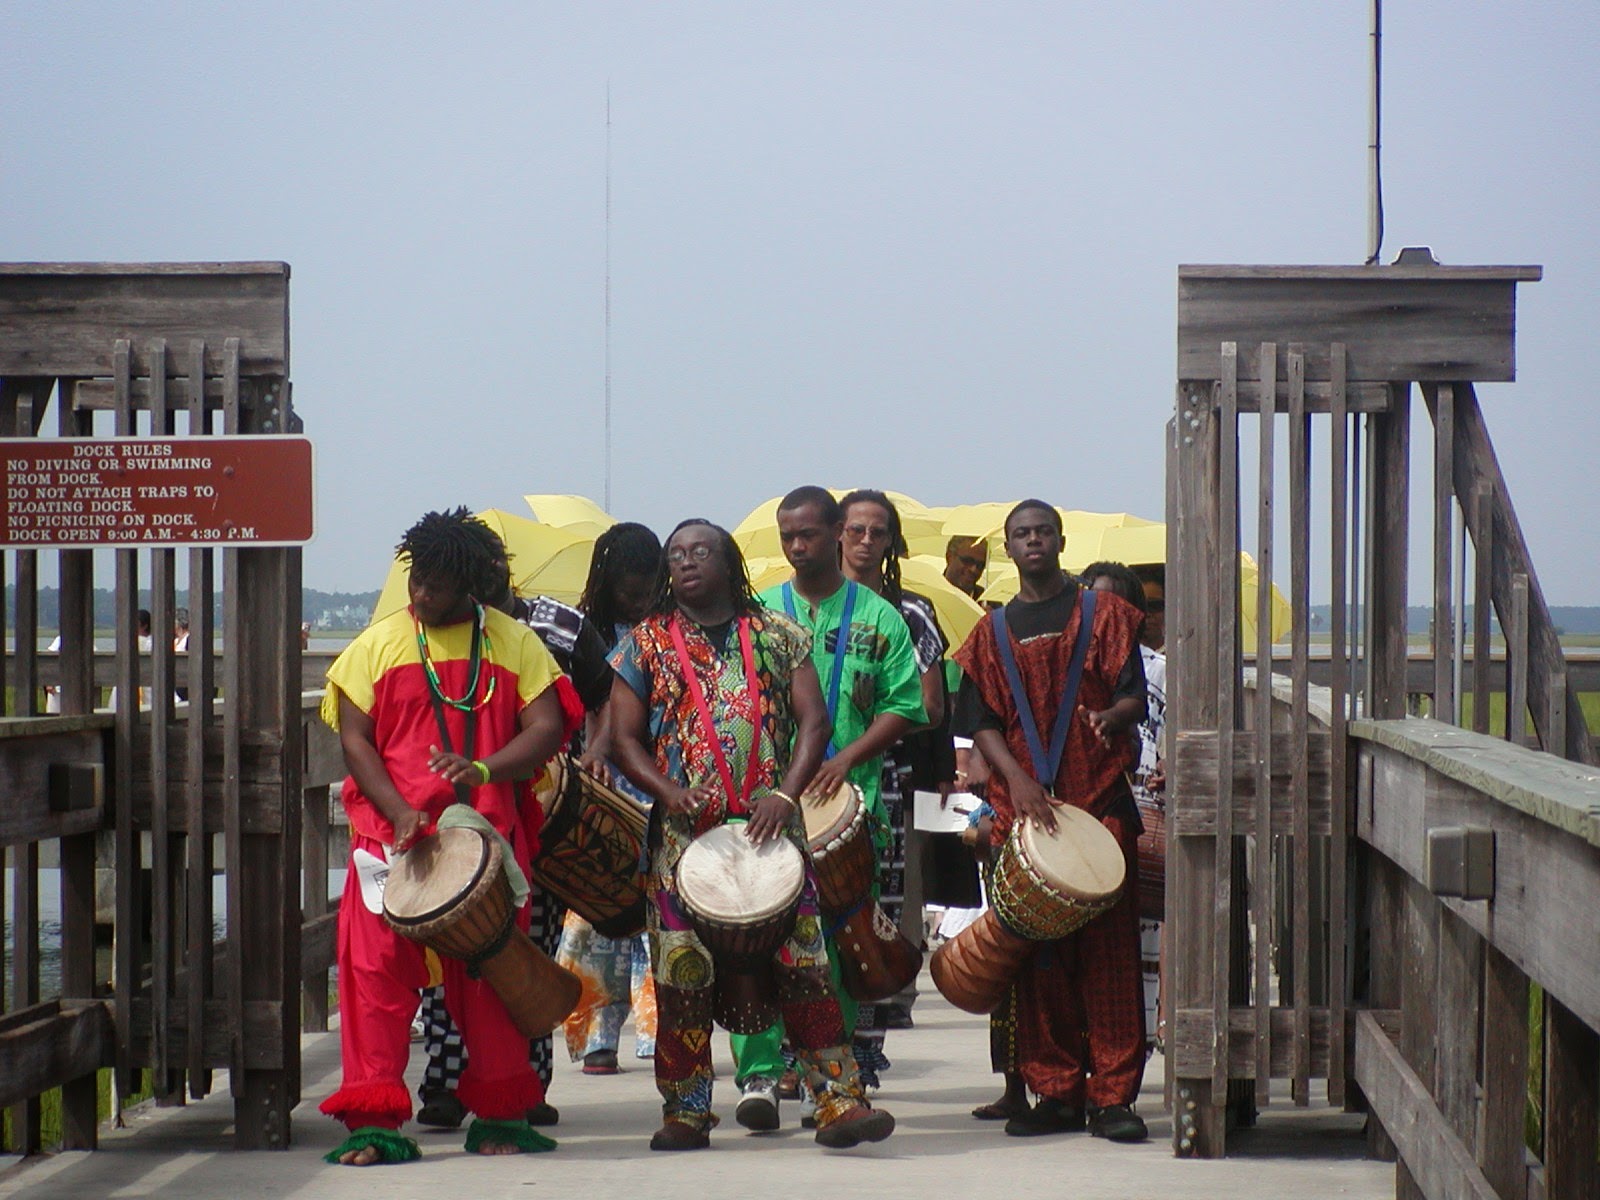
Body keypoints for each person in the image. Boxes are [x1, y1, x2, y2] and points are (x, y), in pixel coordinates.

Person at [609, 518, 895, 1151]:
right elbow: (623, 740)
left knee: (807, 970)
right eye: (676, 554)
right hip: (683, 846)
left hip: (776, 837)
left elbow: (815, 723)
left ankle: (838, 1101)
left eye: (700, 551)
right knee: (682, 978)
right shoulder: (644, 643)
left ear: (728, 560)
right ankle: (686, 1112)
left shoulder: (777, 633)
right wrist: (669, 792)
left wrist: (786, 794)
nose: (686, 562)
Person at [317, 508, 581, 1165]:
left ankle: (500, 1116)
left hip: (483, 846)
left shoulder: (515, 642)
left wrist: (486, 769)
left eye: (436, 584)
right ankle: (374, 1124)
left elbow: (547, 727)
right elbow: (355, 740)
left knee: (491, 983)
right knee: (374, 979)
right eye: (417, 580)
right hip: (391, 845)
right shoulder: (377, 645)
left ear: (470, 584)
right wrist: (399, 810)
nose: (421, 593)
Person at [951, 500, 1150, 1143]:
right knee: (1038, 962)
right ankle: (1057, 1091)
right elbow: (981, 721)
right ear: (1009, 548)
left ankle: (1113, 1096)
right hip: (1025, 813)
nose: (1033, 540)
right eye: (1021, 534)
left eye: (1042, 531)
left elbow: (1133, 694)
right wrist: (1016, 779)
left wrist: (1112, 717)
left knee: (1110, 959)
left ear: (1060, 541)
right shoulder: (990, 632)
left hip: (1099, 806)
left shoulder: (1107, 614)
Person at [727, 486, 926, 1122]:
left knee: (836, 952)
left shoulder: (881, 617)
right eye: (787, 536)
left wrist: (843, 759)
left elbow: (905, 705)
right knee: (755, 946)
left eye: (808, 534)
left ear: (837, 531)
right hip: (769, 808)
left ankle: (829, 1083)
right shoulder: (760, 612)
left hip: (848, 809)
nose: (796, 546)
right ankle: (760, 1076)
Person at [413, 534, 620, 1129]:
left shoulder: (559, 627)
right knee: (450, 947)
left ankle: (528, 1084)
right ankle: (446, 1083)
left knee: (528, 950)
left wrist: (596, 753)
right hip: (454, 816)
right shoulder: (435, 634)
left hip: (543, 812)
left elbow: (607, 695)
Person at [836, 489, 950, 1054]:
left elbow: (931, 707)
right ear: (838, 533)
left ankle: (864, 1049)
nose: (865, 541)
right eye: (855, 529)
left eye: (877, 532)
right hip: (810, 780)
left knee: (875, 917)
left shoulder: (911, 613)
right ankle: (807, 1052)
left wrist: (874, 708)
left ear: (891, 542)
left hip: (887, 781)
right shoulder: (804, 606)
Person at [554, 522, 663, 1076]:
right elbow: (595, 706)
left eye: (648, 591)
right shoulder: (584, 632)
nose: (639, 603)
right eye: (628, 592)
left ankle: (659, 1032)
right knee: (595, 914)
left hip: (658, 782)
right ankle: (598, 1034)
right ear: (605, 584)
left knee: (658, 911)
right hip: (601, 785)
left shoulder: (671, 630)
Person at [1083, 561, 1167, 1053]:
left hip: (1142, 809)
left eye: (1117, 605)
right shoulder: (1070, 661)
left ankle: (1131, 1046)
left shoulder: (1159, 669)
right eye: (1095, 603)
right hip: (1082, 811)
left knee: (1137, 941)